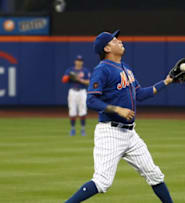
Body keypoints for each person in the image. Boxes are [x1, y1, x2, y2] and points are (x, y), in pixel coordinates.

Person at [65, 30, 174, 203]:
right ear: (107, 48)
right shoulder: (102, 70)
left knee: (154, 174)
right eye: (115, 40)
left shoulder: (125, 67)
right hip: (110, 133)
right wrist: (117, 109)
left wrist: (166, 82)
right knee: (102, 182)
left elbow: (140, 94)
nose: (120, 41)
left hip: (130, 134)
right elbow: (91, 100)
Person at [61, 55, 91, 136]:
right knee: (72, 111)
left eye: (80, 60)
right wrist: (69, 77)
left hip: (82, 92)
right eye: (78, 60)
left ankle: (83, 129)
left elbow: (89, 82)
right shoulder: (70, 70)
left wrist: (79, 79)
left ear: (82, 62)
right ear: (75, 61)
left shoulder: (85, 71)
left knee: (83, 111)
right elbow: (63, 80)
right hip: (73, 92)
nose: (79, 62)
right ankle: (72, 129)